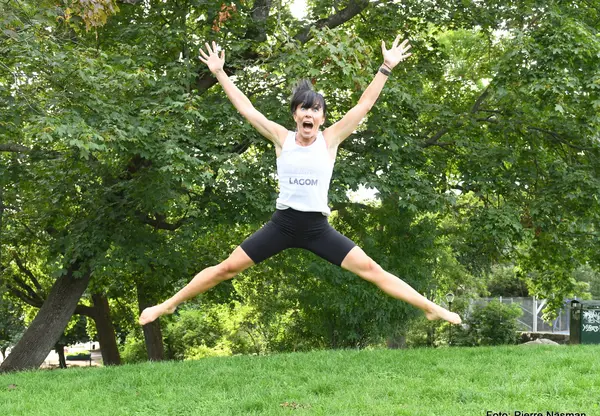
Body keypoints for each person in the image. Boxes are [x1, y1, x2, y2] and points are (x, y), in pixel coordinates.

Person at [139, 36, 461, 326]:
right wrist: (220, 73)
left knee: (372, 270)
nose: (309, 114)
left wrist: (386, 67)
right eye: (304, 109)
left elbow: (364, 105)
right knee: (226, 268)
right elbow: (247, 110)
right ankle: (168, 305)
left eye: (315, 110)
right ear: (295, 114)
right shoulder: (282, 138)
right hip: (283, 224)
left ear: (322, 117)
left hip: (317, 228)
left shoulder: (330, 139)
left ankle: (430, 308)